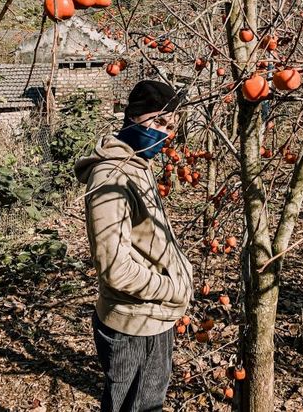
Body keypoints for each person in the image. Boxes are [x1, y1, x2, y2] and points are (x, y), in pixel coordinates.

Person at [75, 79, 193, 412]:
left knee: (146, 403)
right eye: (158, 121)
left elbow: (145, 242)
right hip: (134, 322)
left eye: (170, 126)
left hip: (152, 317)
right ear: (132, 116)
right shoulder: (112, 176)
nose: (164, 132)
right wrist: (172, 288)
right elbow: (114, 267)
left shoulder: (139, 166)